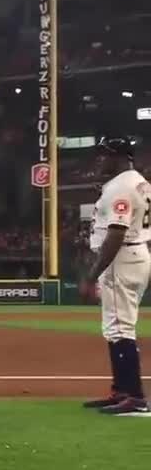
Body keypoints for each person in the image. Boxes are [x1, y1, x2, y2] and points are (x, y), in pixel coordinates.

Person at [80, 136, 151, 415]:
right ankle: (121, 390)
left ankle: (134, 396)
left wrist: (91, 274)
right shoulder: (138, 182)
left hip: (121, 260)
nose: (101, 159)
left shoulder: (121, 188)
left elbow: (116, 234)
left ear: (121, 157)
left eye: (105, 155)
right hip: (135, 255)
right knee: (115, 327)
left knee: (120, 329)